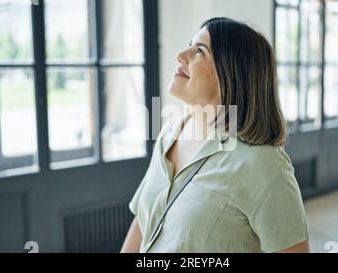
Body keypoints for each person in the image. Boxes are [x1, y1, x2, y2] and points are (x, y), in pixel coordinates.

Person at [121, 17, 310, 253]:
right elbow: (143, 219)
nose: (181, 55)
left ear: (231, 74)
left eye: (199, 51)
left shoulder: (264, 165)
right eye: (190, 44)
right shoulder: (170, 134)